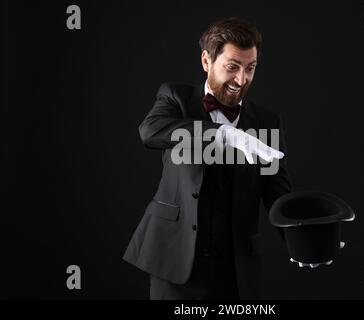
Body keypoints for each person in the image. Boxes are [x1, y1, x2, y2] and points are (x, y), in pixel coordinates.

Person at [123, 17, 292, 300]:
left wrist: (305, 241)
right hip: (174, 262)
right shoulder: (175, 98)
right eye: (232, 67)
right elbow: (149, 131)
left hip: (236, 270)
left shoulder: (267, 122)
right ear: (206, 60)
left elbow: (278, 193)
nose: (242, 80)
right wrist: (223, 133)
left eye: (250, 68)